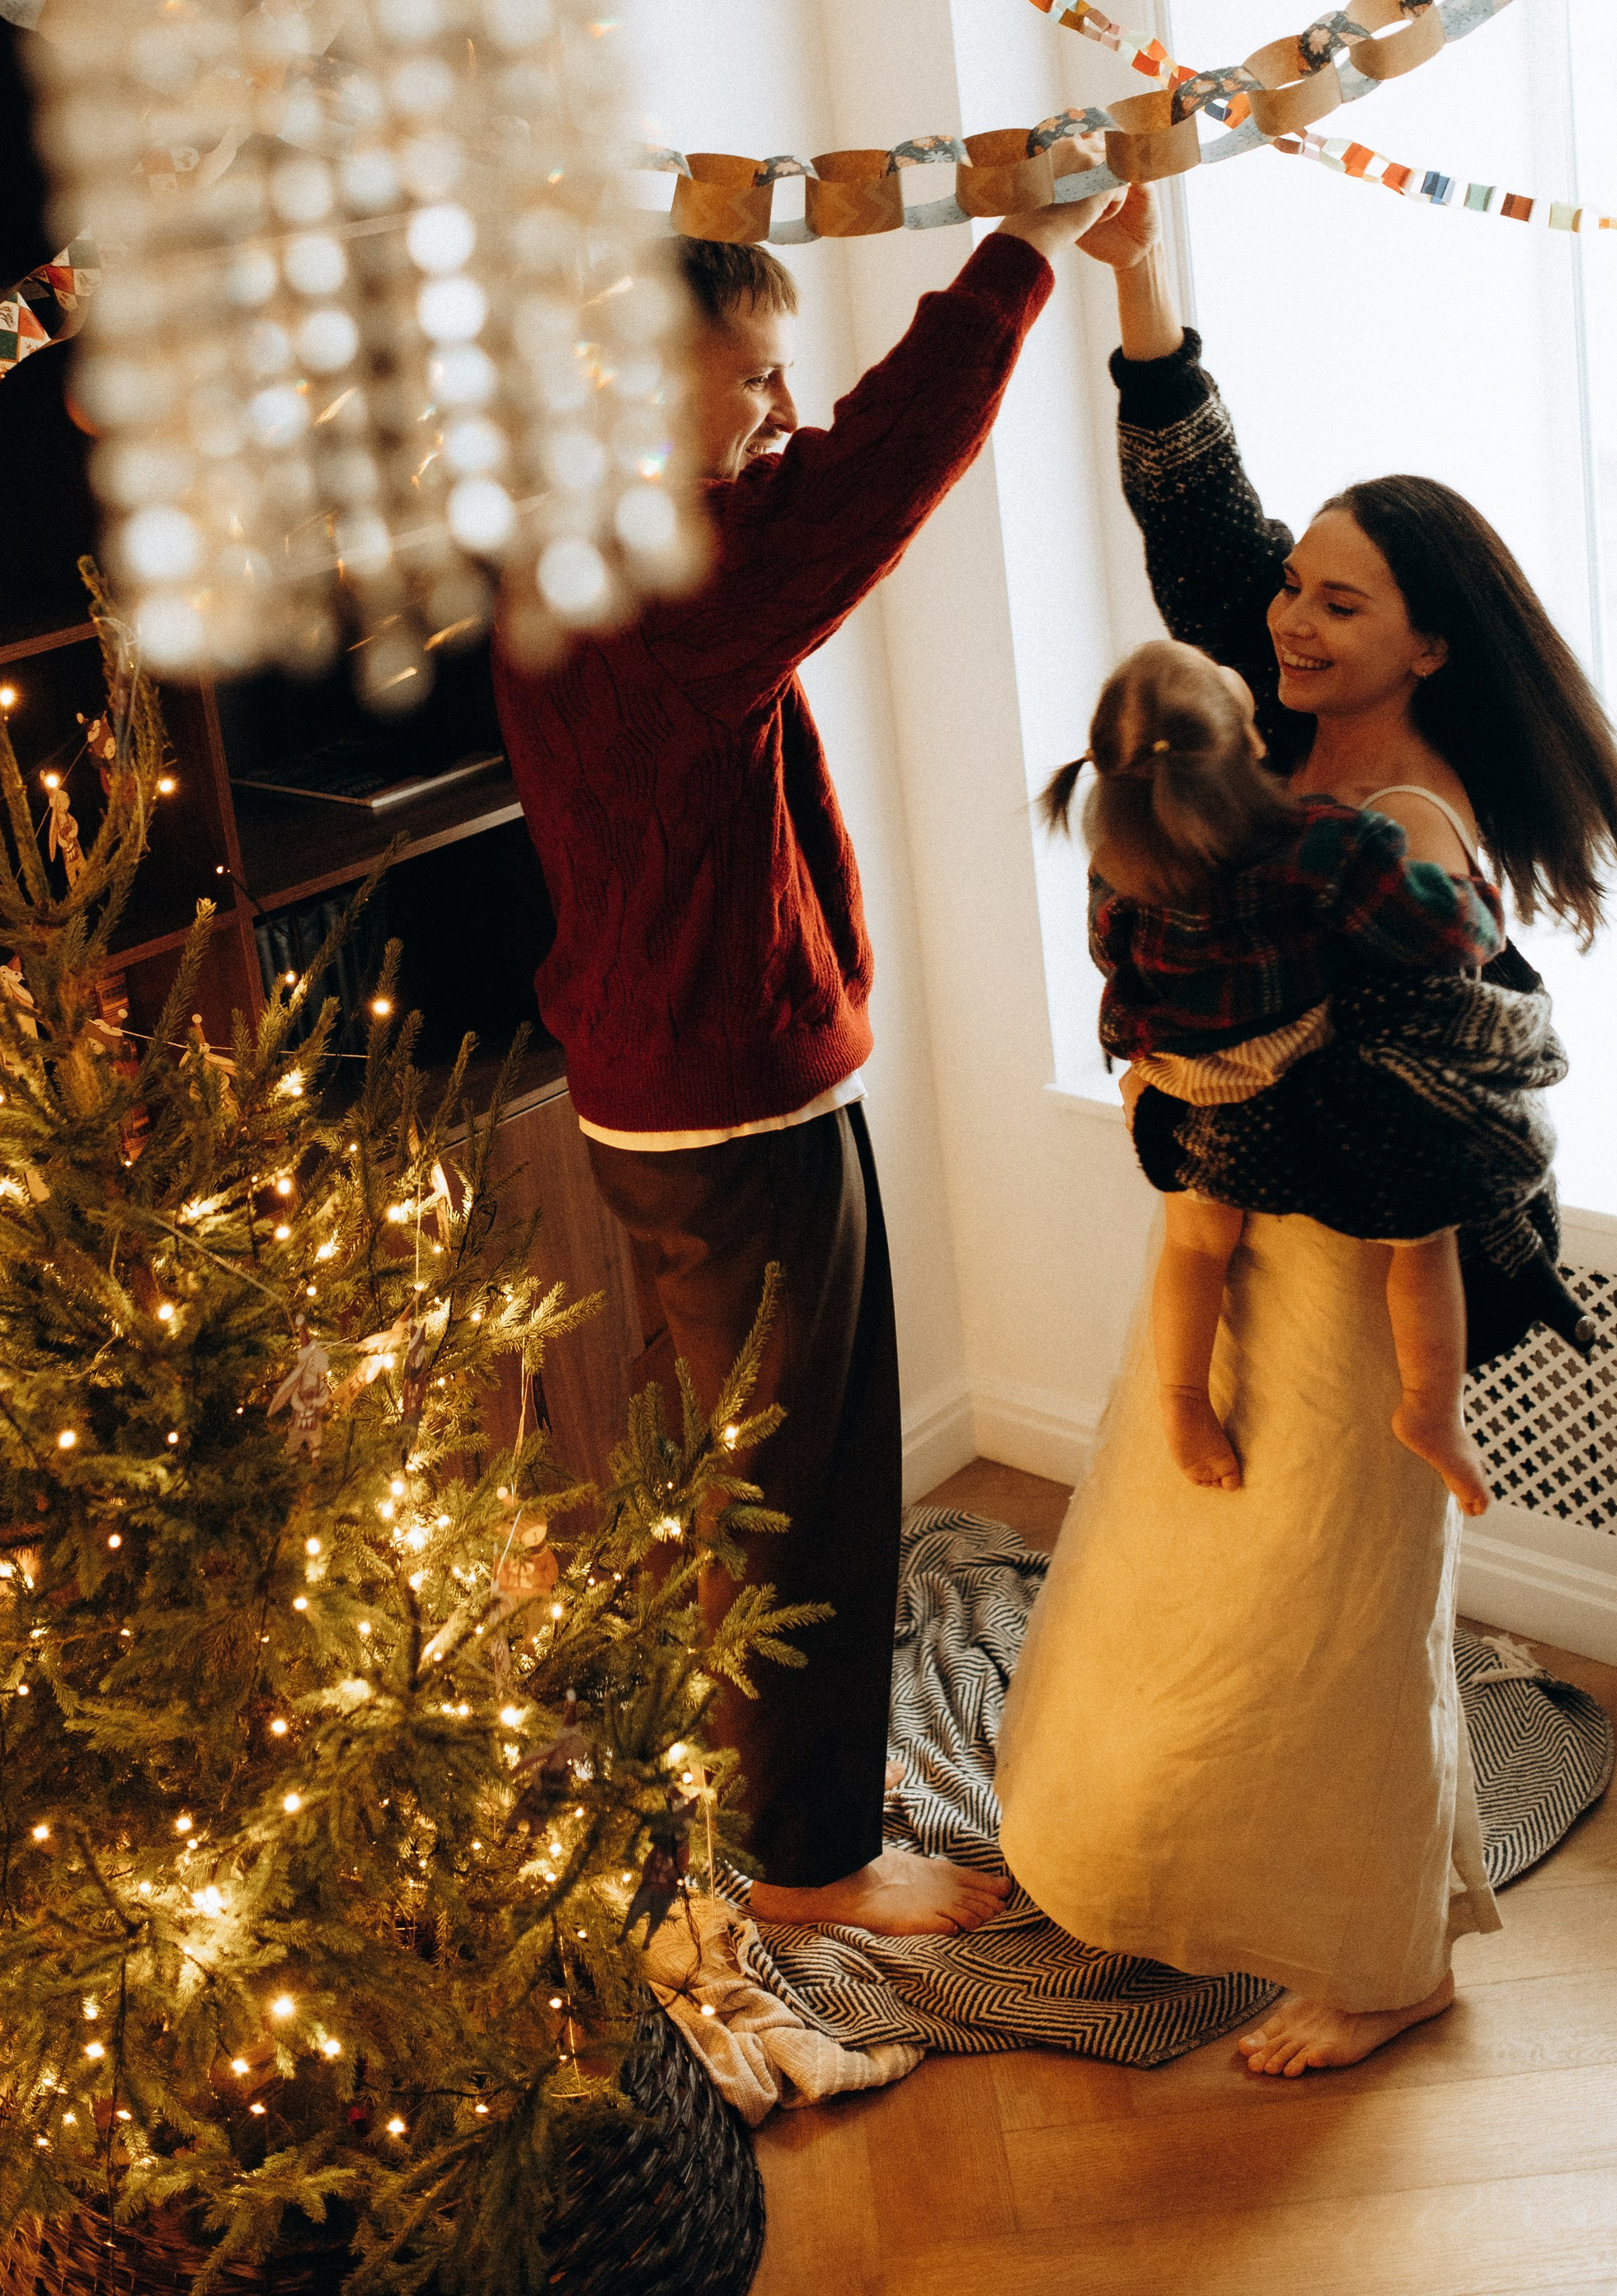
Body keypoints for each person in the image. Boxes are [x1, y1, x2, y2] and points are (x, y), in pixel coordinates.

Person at [996, 176, 1617, 2077]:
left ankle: (1375, 1960)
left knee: (1311, 1625)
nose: (1284, 615)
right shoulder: (1273, 731)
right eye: (1292, 589)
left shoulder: (1401, 830)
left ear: (1422, 647)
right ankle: (1223, 1873)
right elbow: (1203, 529)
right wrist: (1135, 282)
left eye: (1333, 601)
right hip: (1236, 1243)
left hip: (1350, 1285)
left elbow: (1440, 1117)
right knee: (1192, 1578)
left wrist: (1194, 1116)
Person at [491, 187, 1121, 1939]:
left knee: (784, 1473)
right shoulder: (660, 586)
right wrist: (1022, 250)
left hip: (707, 1086)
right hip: (725, 1110)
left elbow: (817, 480)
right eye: (754, 375)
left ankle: (794, 1808)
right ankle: (812, 1870)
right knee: (802, 1496)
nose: (786, 408)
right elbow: (869, 477)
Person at [1041, 635, 1502, 1511]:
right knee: (1422, 1231)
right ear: (1247, 740)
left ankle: (1184, 1401)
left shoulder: (1116, 864)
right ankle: (1431, 1409)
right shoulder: (1325, 843)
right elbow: (1449, 936)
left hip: (1183, 1092)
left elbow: (1111, 960)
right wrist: (1477, 892)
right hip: (1297, 1088)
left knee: (1194, 1246)